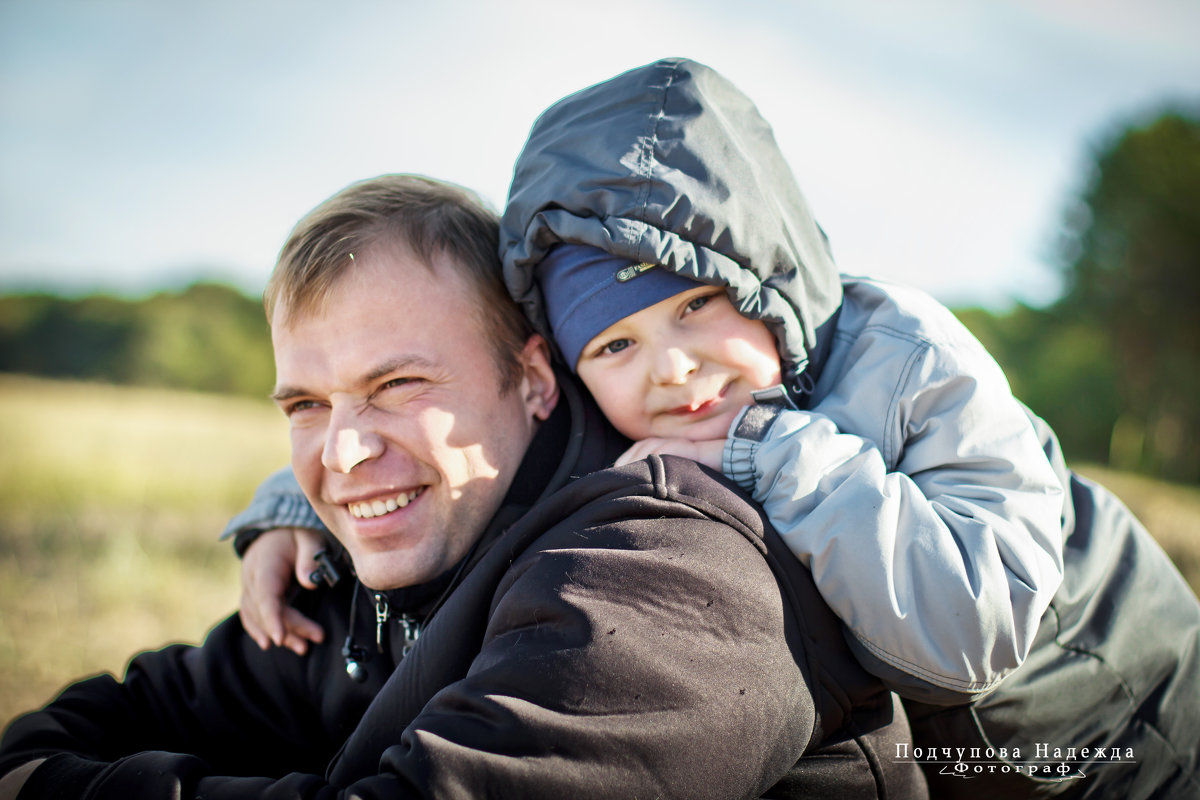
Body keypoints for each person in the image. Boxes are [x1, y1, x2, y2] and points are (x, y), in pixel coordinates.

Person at [238, 60, 1200, 798]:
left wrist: (770, 453)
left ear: (770, 275)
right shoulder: (633, 398)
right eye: (614, 343)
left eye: (700, 304)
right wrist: (303, 507)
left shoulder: (909, 364)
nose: (672, 366)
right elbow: (465, 430)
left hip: (1119, 732)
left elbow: (962, 639)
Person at [0, 174, 927, 798]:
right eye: (308, 405)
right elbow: (99, 719)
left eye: (397, 387)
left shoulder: (666, 573)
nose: (345, 453)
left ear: (533, 378)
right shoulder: (352, 585)